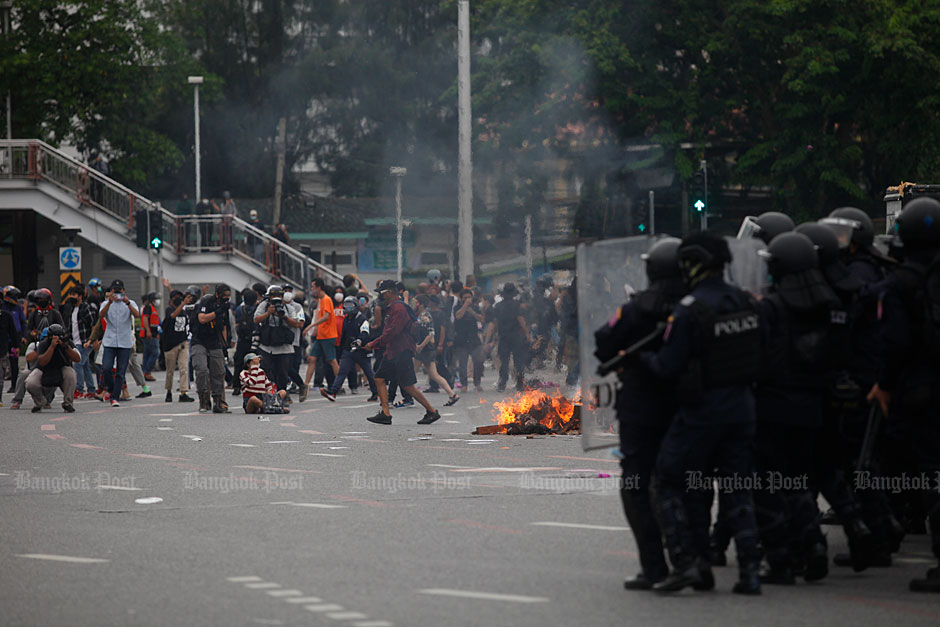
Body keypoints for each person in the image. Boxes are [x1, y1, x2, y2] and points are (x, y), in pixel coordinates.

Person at [638, 231, 762, 595]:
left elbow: (668, 366)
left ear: (694, 265)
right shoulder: (745, 302)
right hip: (743, 410)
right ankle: (751, 571)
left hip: (702, 413)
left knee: (669, 481)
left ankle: (687, 561)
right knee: (738, 489)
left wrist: (642, 359)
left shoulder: (690, 310)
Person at [595, 237, 686, 590]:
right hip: (688, 408)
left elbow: (604, 341)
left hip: (643, 409)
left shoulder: (636, 309)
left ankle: (655, 567)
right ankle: (693, 559)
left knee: (636, 486)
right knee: (685, 483)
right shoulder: (697, 307)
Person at [752, 232, 842, 584]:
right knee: (799, 480)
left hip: (773, 407)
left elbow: (759, 357)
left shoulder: (770, 307)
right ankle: (814, 543)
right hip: (814, 407)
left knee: (768, 485)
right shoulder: (831, 304)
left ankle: (780, 559)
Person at [868, 197, 940, 593]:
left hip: (922, 389)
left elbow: (894, 344)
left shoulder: (900, 282)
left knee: (933, 470)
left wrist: (885, 385)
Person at [364, 280, 441, 426]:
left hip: (401, 351)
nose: (380, 296)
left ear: (390, 292)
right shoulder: (394, 307)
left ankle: (431, 411)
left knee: (407, 385)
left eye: (382, 293)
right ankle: (385, 413)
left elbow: (392, 332)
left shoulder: (399, 308)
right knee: (379, 378)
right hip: (393, 352)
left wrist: (373, 344)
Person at [321, 296, 378, 402]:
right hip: (349, 350)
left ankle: (376, 392)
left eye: (350, 305)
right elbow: (344, 335)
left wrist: (359, 341)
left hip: (362, 350)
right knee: (342, 371)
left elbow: (365, 332)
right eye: (346, 305)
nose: (347, 307)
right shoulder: (346, 319)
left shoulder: (362, 319)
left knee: (369, 372)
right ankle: (333, 392)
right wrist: (341, 347)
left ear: (356, 306)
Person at [411, 295, 460, 406]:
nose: (415, 305)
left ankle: (409, 395)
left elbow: (430, 333)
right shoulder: (420, 315)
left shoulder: (425, 316)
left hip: (425, 351)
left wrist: (420, 346)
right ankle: (452, 394)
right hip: (427, 350)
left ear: (421, 304)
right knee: (434, 375)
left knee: (411, 373)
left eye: (416, 303)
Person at [98, 280, 139, 407]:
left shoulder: (130, 303)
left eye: (119, 291)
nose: (117, 294)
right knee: (106, 368)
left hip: (124, 342)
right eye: (114, 291)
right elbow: (101, 315)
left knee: (121, 371)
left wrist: (126, 302)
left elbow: (137, 315)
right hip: (110, 341)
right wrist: (109, 302)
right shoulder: (106, 303)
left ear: (123, 291)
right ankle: (111, 389)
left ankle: (115, 397)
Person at [191, 284, 232, 413]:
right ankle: (204, 400)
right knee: (202, 369)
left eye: (228, 296)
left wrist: (224, 345)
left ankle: (219, 402)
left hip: (215, 341)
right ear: (217, 294)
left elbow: (224, 327)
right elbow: (202, 319)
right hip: (200, 340)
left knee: (219, 372)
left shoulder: (225, 307)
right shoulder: (207, 301)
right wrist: (216, 312)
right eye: (224, 296)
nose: (226, 298)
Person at [254, 285, 299, 395]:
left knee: (283, 372)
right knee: (266, 368)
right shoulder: (264, 306)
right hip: (267, 344)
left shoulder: (288, 307)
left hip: (283, 345)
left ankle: (282, 394)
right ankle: (269, 392)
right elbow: (256, 319)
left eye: (279, 296)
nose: (276, 298)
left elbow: (296, 323)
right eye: (274, 296)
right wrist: (268, 313)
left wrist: (284, 317)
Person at [27, 323, 80, 413]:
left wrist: (66, 347)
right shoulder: (43, 344)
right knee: (30, 382)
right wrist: (52, 347)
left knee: (71, 374)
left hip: (62, 367)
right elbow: (42, 362)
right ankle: (39, 402)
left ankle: (68, 403)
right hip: (44, 369)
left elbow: (77, 359)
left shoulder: (67, 342)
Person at [302, 278, 339, 401]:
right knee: (312, 358)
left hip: (328, 335)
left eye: (313, 287)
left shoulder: (326, 299)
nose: (312, 289)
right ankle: (306, 385)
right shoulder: (321, 300)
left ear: (319, 287)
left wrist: (311, 326)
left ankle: (338, 385)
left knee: (332, 360)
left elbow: (327, 316)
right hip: (321, 335)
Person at [492, 283, 531, 392]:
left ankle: (502, 382)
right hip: (516, 337)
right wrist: (527, 333)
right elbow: (520, 319)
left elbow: (495, 322)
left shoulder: (498, 306)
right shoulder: (517, 305)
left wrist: (495, 335)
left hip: (504, 336)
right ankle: (519, 383)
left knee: (504, 361)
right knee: (518, 361)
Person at [60, 285, 95, 400]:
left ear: (80, 296)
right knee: (85, 366)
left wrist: (91, 340)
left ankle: (79, 389)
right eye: (71, 294)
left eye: (74, 295)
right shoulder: (71, 309)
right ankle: (91, 390)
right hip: (75, 342)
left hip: (85, 342)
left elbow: (93, 324)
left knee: (77, 364)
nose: (71, 297)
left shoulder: (86, 307)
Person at [162, 289, 195, 403]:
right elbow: (172, 316)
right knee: (170, 370)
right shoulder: (169, 310)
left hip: (183, 343)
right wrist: (182, 304)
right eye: (176, 297)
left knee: (184, 368)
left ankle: (183, 392)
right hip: (170, 345)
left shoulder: (184, 311)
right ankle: (169, 391)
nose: (179, 299)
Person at [453, 289, 485, 392]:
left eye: (469, 297)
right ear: (461, 298)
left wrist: (472, 311)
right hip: (462, 340)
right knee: (462, 364)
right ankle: (464, 384)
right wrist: (465, 306)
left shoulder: (475, 308)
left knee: (478, 362)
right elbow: (458, 316)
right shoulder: (457, 307)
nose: (467, 299)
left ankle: (477, 382)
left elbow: (482, 319)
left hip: (474, 339)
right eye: (465, 297)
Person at [232, 288, 259, 394]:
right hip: (254, 340)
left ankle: (236, 385)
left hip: (242, 339)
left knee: (238, 363)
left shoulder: (239, 309)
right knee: (254, 362)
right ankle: (254, 383)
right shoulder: (257, 310)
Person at [0, 296, 19, 406]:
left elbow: (13, 332)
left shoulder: (6, 316)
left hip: (1, 349)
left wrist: (16, 346)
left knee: (0, 375)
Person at [139, 292, 161, 381]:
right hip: (149, 335)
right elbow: (145, 319)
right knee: (156, 352)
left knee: (147, 353)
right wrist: (148, 331)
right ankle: (147, 371)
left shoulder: (153, 308)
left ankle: (145, 372)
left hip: (153, 334)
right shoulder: (148, 307)